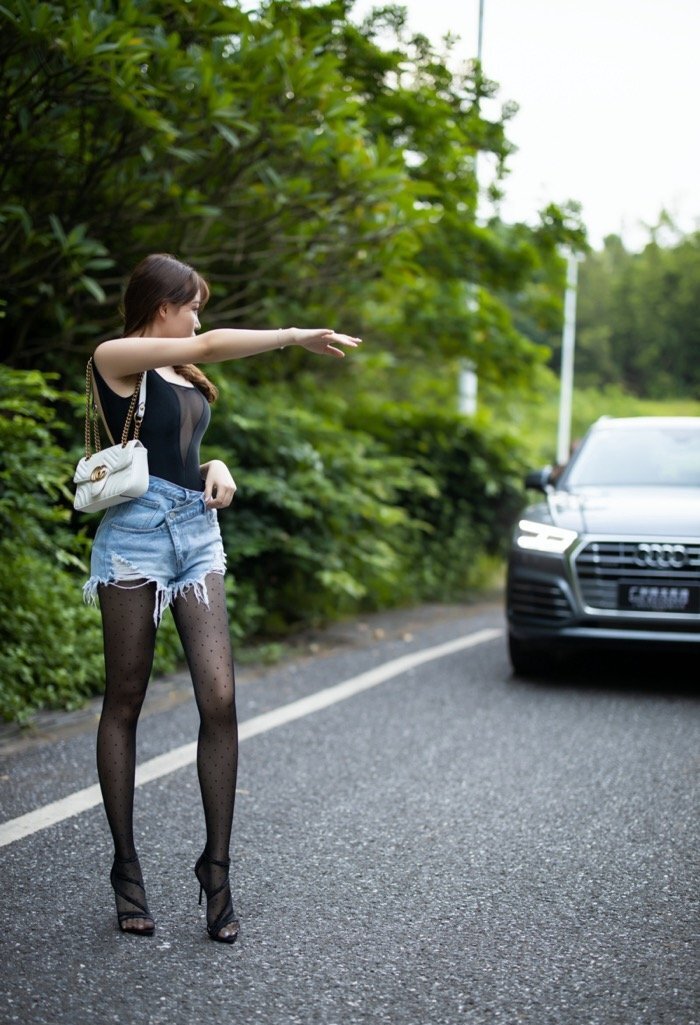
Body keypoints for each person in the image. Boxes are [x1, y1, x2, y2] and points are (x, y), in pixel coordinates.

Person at [84, 253, 361, 943]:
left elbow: (181, 453)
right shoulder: (115, 354)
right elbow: (207, 345)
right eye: (194, 303)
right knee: (125, 698)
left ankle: (216, 866)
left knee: (220, 699)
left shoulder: (183, 371)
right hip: (134, 539)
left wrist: (219, 465)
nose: (200, 316)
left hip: (196, 536)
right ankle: (126, 868)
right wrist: (293, 335)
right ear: (163, 305)